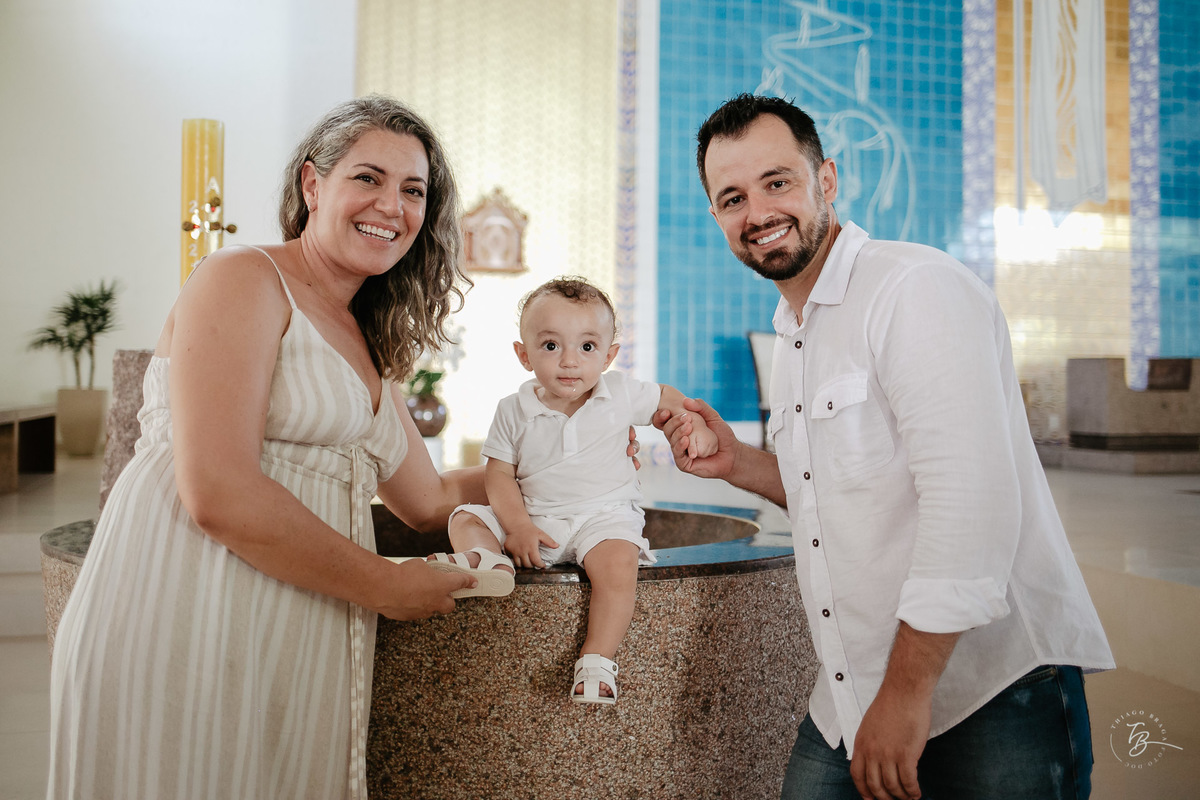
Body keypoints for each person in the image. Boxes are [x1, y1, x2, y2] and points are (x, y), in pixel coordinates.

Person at [655, 93, 1114, 800]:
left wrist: (906, 694)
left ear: (826, 180)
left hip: (986, 687)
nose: (758, 212)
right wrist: (737, 464)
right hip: (853, 688)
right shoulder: (794, 328)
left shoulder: (913, 290)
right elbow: (840, 487)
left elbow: (971, 503)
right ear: (716, 217)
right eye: (732, 197)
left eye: (778, 182)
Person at [47, 95, 498, 800]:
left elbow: (428, 499)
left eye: (414, 190)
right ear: (312, 186)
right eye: (368, 178)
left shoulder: (367, 343)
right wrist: (385, 585)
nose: (392, 204)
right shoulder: (244, 278)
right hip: (184, 619)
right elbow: (218, 491)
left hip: (289, 635)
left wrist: (557, 453)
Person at [439, 276, 716, 705]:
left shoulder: (621, 392)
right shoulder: (513, 410)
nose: (569, 361)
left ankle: (597, 659)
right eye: (551, 346)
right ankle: (488, 561)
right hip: (536, 518)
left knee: (619, 566)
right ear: (523, 354)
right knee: (466, 517)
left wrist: (692, 423)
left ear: (609, 356)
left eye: (587, 347)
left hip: (602, 517)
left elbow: (669, 399)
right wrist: (516, 527)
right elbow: (499, 477)